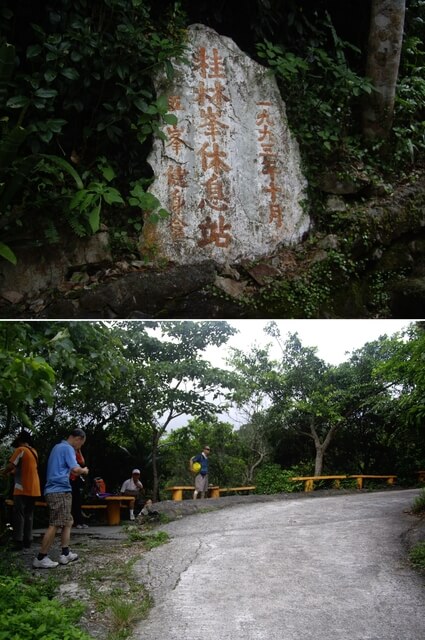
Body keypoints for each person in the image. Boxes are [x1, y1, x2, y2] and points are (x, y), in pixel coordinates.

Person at [33, 428, 89, 569]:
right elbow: (75, 469)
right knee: (56, 523)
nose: (79, 447)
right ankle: (41, 557)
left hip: (56, 489)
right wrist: (84, 470)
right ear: (78, 439)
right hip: (59, 490)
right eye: (81, 444)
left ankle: (65, 553)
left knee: (68, 521)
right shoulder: (68, 448)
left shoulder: (57, 447)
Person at [0, 430, 41, 551]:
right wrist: (12, 472)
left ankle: (18, 541)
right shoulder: (34, 452)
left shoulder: (20, 450)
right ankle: (28, 540)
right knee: (29, 515)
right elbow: (25, 469)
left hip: (22, 488)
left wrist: (4, 472)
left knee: (19, 514)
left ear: (21, 441)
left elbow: (11, 465)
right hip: (34, 488)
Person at [70, 448, 88, 529]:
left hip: (75, 480)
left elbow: (82, 462)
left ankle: (80, 521)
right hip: (69, 480)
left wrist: (79, 450)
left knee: (77, 501)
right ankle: (75, 522)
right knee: (72, 502)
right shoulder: (69, 452)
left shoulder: (76, 452)